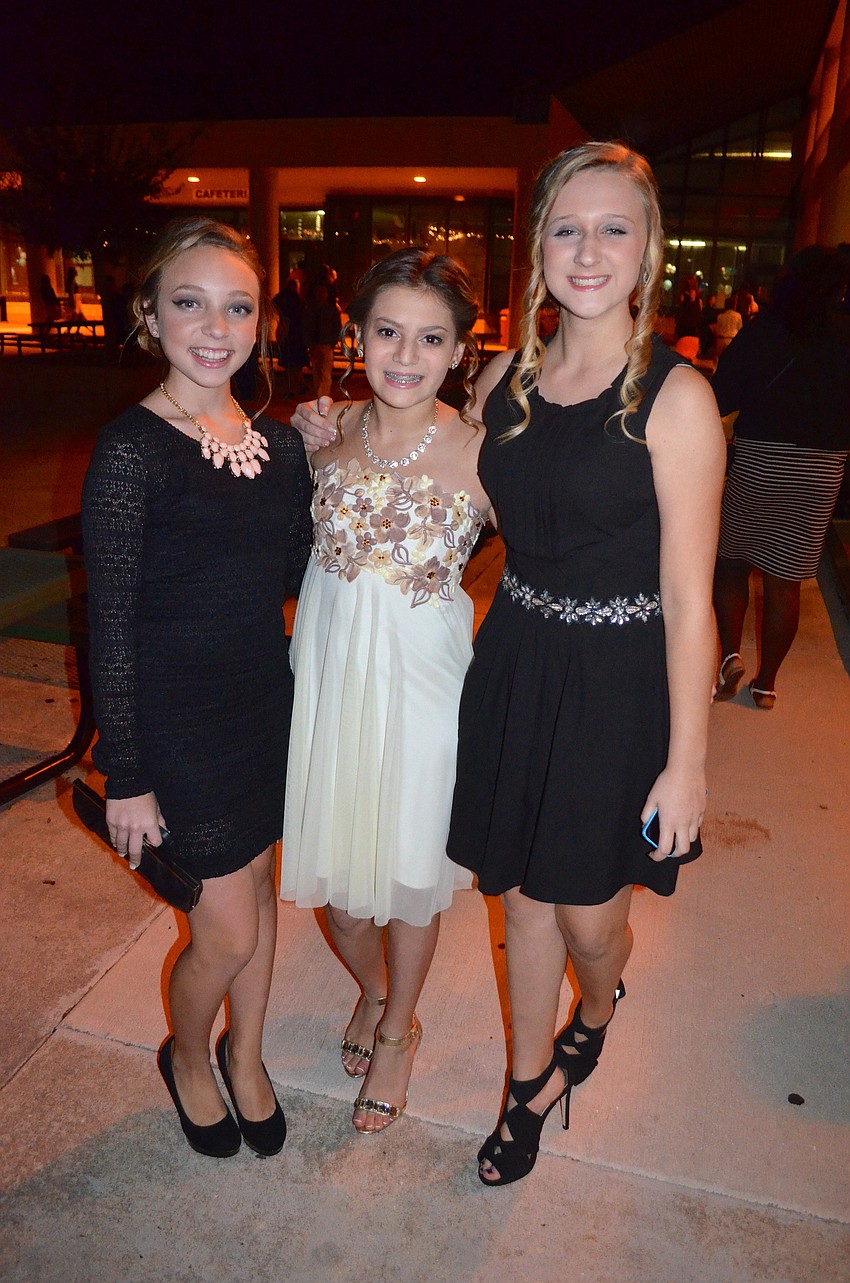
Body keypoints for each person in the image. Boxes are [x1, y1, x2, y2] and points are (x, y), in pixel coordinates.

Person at [444, 142, 724, 1185]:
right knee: (517, 896)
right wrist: (356, 438)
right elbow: (464, 504)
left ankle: (599, 1001)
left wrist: (686, 764)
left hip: (617, 682)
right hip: (516, 656)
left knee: (590, 916)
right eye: (567, 226)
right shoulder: (502, 379)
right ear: (538, 249)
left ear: (647, 249)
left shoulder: (676, 396)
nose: (588, 248)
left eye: (614, 226)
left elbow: (692, 598)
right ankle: (527, 1084)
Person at [81, 216, 313, 1159]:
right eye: (190, 302)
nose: (215, 327)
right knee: (220, 927)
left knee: (258, 897)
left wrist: (324, 455)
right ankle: (187, 1056)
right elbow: (111, 623)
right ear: (150, 314)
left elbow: (294, 571)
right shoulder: (133, 450)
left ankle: (246, 1055)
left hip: (264, 703)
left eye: (238, 306)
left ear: (261, 320)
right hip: (177, 722)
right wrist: (126, 773)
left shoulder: (276, 443)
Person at [282, 248, 493, 1133]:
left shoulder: (488, 454)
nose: (406, 354)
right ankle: (372, 987)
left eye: (431, 337)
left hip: (423, 693)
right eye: (388, 331)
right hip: (331, 684)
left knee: (409, 875)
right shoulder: (324, 436)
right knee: (335, 881)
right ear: (358, 335)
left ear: (458, 353)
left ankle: (399, 1029)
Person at [711, 245, 850, 709]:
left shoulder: (767, 329)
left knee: (731, 560)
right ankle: (767, 684)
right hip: (823, 466)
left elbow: (722, 393)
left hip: (762, 459)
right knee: (785, 578)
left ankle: (730, 654)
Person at [303, 282, 342, 400]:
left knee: (325, 373)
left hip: (326, 343)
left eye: (323, 293)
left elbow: (337, 327)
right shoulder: (311, 310)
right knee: (316, 372)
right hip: (315, 344)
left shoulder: (330, 310)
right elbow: (306, 327)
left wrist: (332, 342)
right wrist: (309, 343)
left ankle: (322, 396)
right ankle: (319, 395)